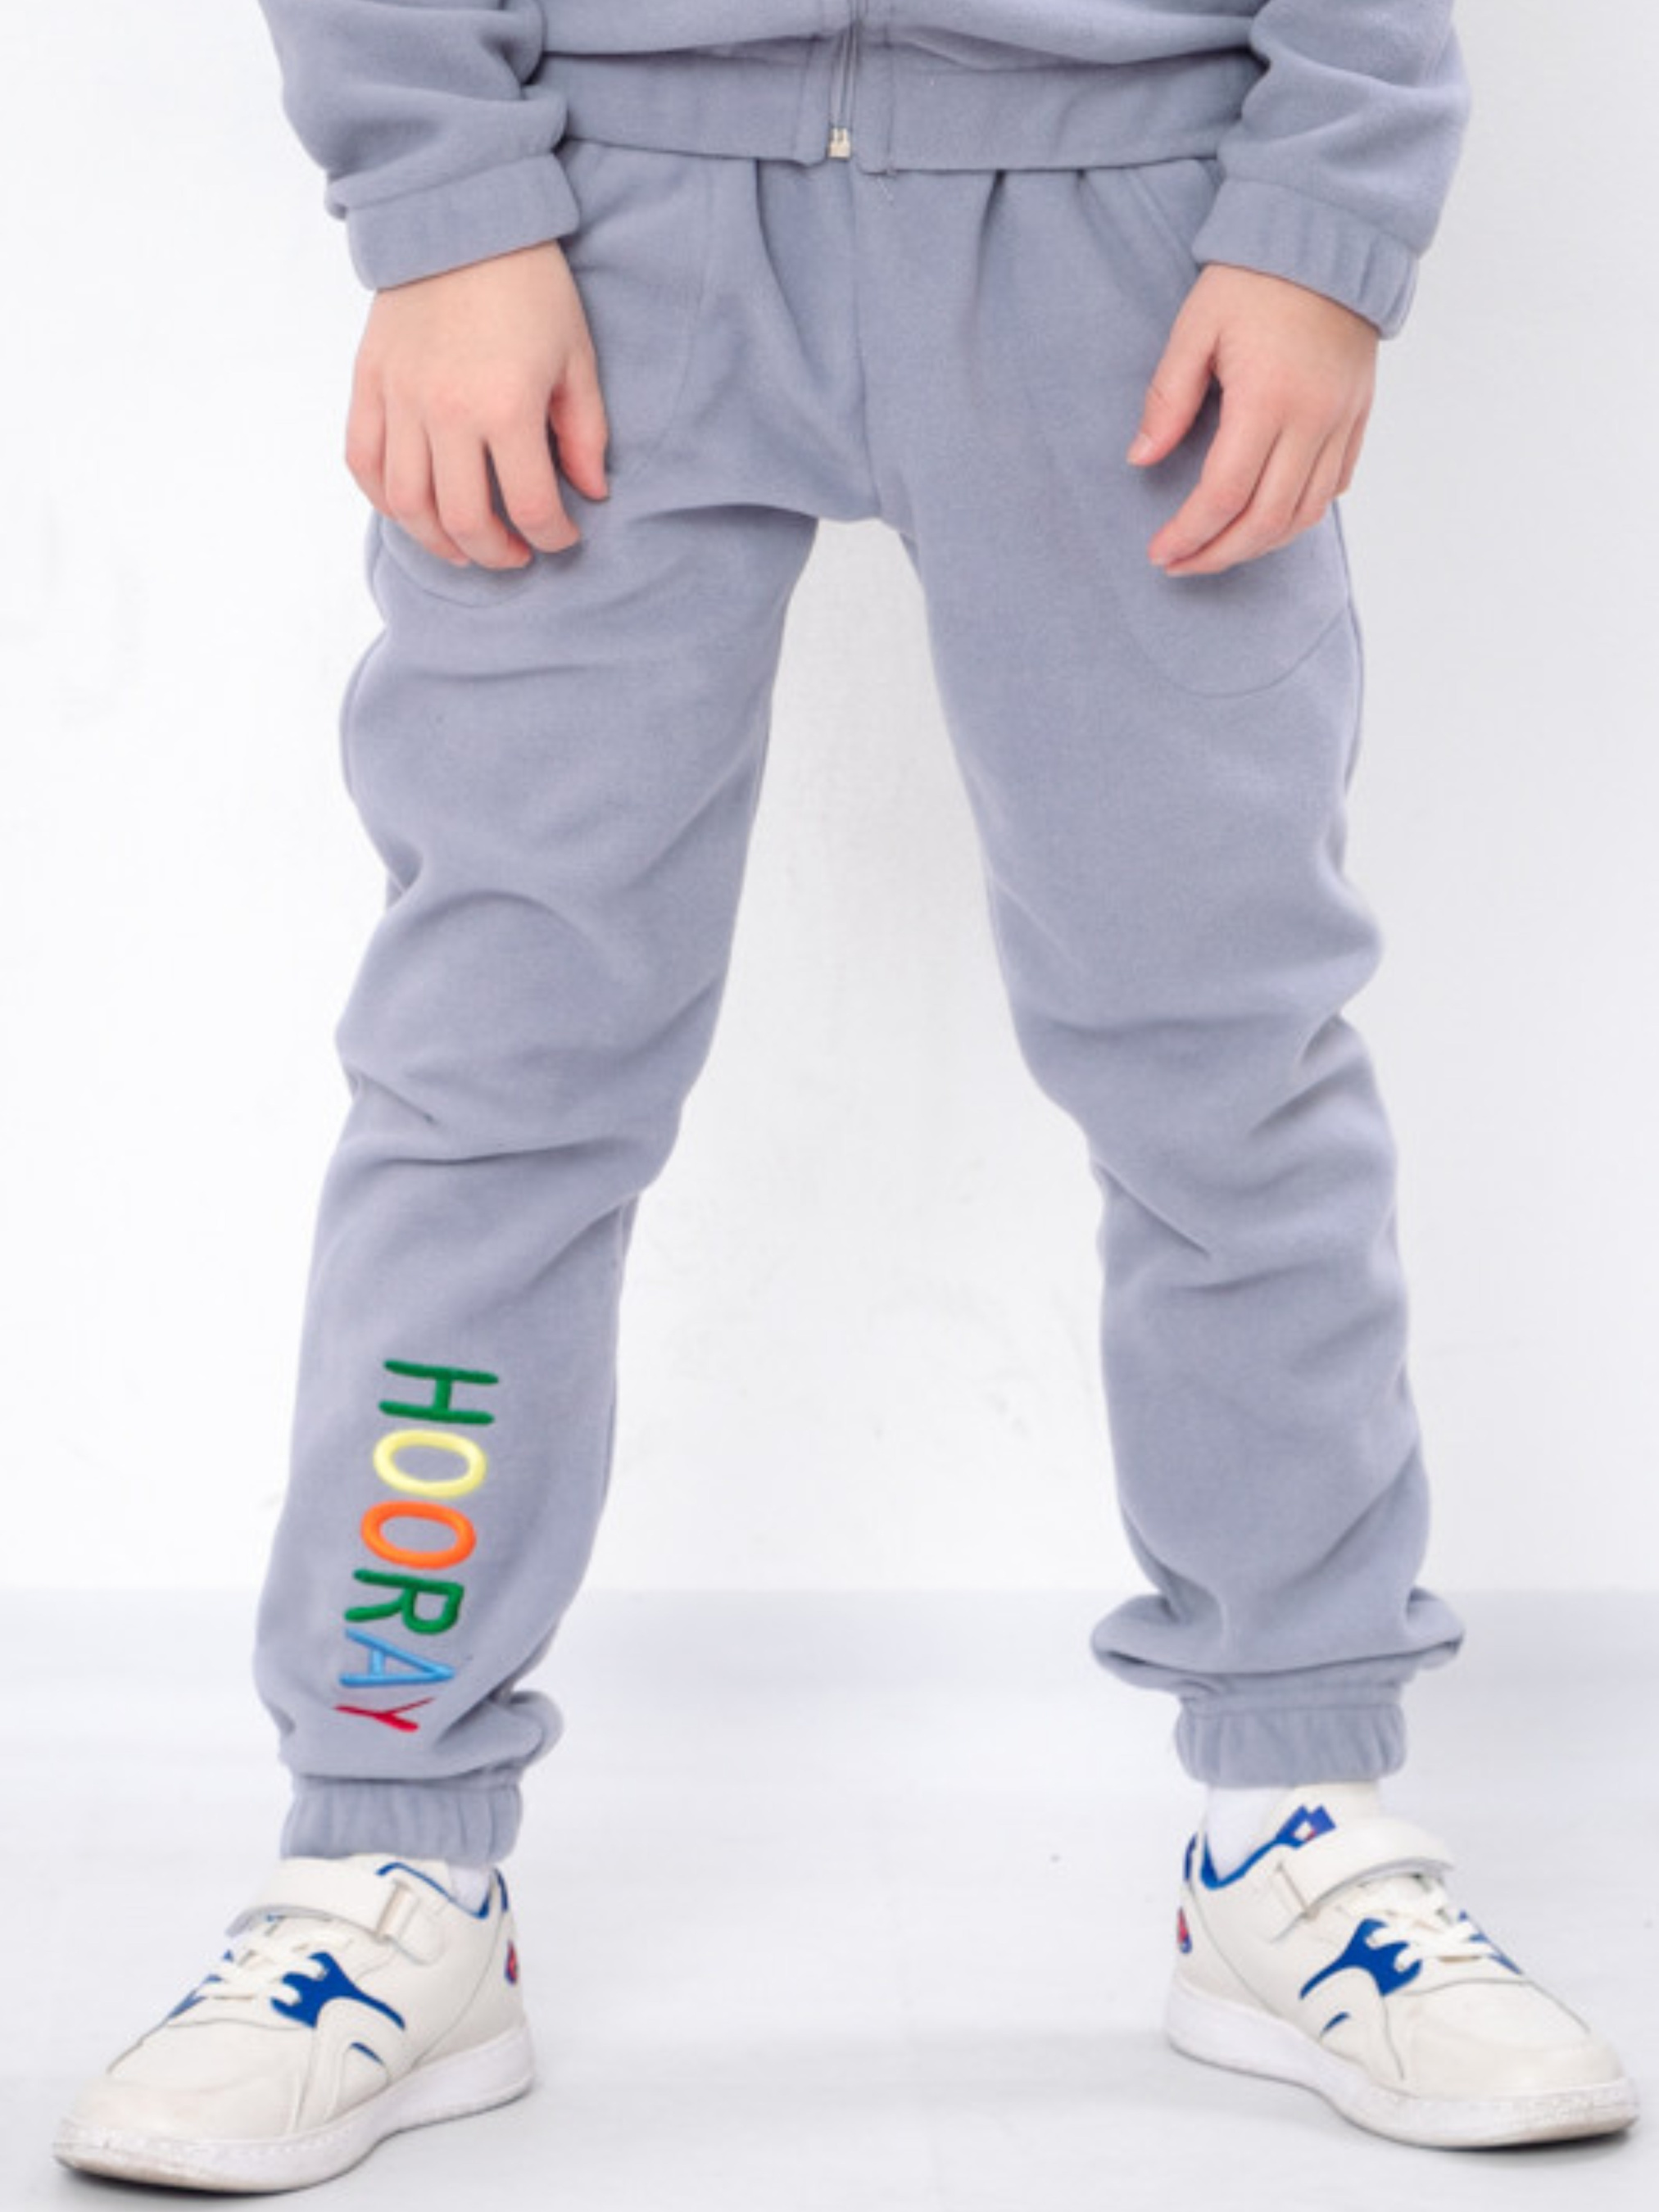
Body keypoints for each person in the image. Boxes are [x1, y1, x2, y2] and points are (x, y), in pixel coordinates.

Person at [57, 0, 1636, 2189]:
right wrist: (440, 199)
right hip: (593, 225)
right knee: (492, 1083)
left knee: (1224, 1064)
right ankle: (389, 1849)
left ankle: (1295, 1819)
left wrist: (1323, 204)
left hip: (1136, 225)